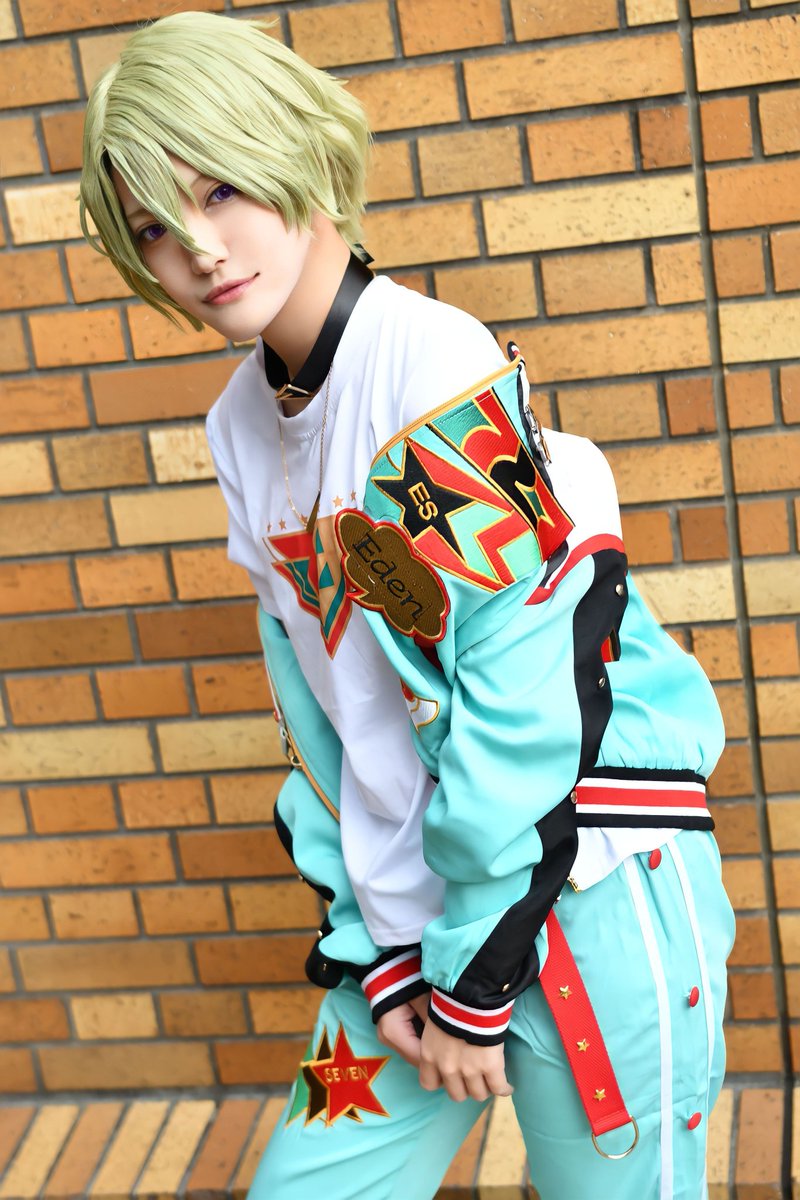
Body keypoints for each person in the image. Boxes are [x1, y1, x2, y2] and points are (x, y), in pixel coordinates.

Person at [80, 12, 735, 1198]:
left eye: (221, 188)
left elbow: (525, 702)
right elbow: (320, 712)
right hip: (409, 929)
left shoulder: (432, 369)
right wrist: (379, 949)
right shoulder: (238, 425)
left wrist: (473, 984)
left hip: (580, 893)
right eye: (155, 228)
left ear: (296, 151)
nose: (201, 249)